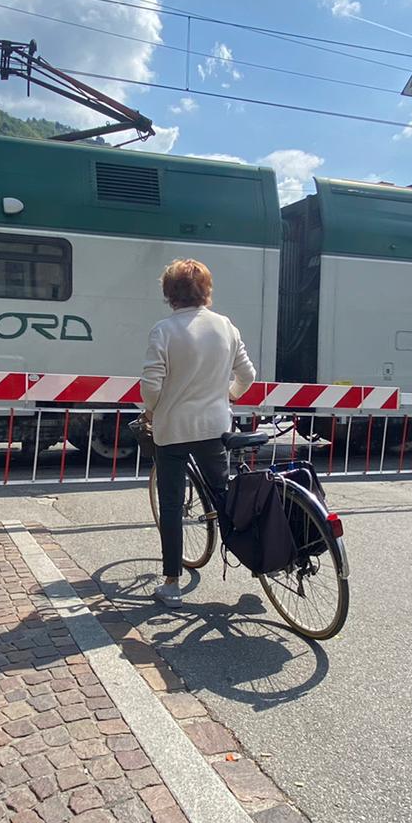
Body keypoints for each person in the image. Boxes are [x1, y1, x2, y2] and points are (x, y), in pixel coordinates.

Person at [139, 259, 256, 606]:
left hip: (173, 430)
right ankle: (256, 556)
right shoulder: (225, 327)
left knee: (172, 505)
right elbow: (247, 376)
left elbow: (150, 386)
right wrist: (228, 395)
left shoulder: (163, 330)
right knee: (224, 497)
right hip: (215, 428)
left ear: (169, 293)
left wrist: (153, 409)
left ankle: (172, 583)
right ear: (205, 291)